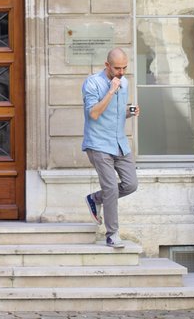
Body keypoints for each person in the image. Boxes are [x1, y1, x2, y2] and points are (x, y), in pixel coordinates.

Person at [82, 47, 139, 248]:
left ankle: (95, 198)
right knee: (111, 188)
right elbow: (94, 114)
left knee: (131, 184)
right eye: (117, 68)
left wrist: (129, 112)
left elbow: (115, 113)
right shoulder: (92, 83)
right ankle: (112, 234)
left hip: (119, 143)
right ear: (107, 65)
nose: (121, 72)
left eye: (124, 68)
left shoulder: (125, 82)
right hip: (98, 144)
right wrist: (111, 90)